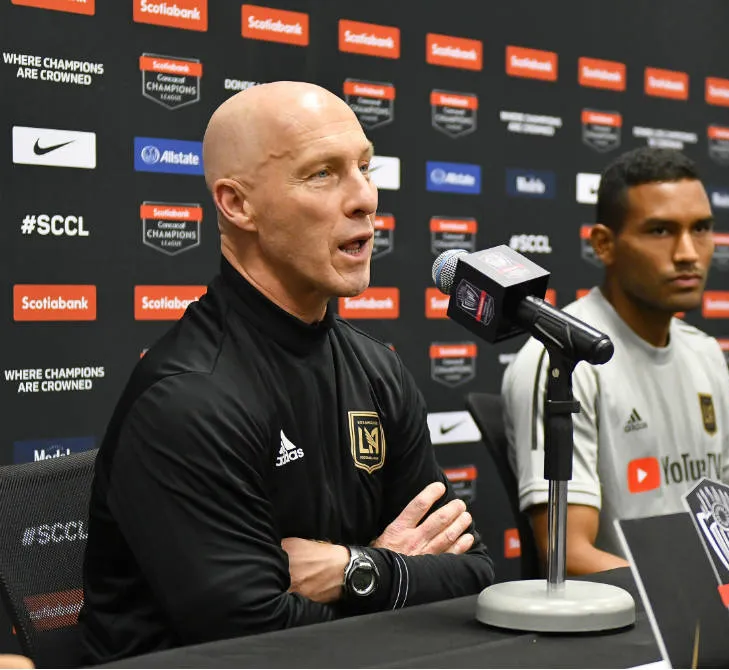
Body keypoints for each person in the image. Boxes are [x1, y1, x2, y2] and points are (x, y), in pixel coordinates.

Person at [78, 81, 494, 663]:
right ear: (236, 204)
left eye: (364, 167)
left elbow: (474, 572)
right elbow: (259, 643)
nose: (365, 199)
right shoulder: (189, 398)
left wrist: (357, 569)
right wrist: (397, 569)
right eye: (322, 173)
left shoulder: (377, 369)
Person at [502, 147, 729, 576]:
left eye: (702, 228)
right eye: (660, 231)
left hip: (714, 613)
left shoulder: (706, 352)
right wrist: (690, 599)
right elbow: (570, 556)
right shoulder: (561, 360)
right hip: (624, 626)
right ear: (604, 244)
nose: (689, 252)